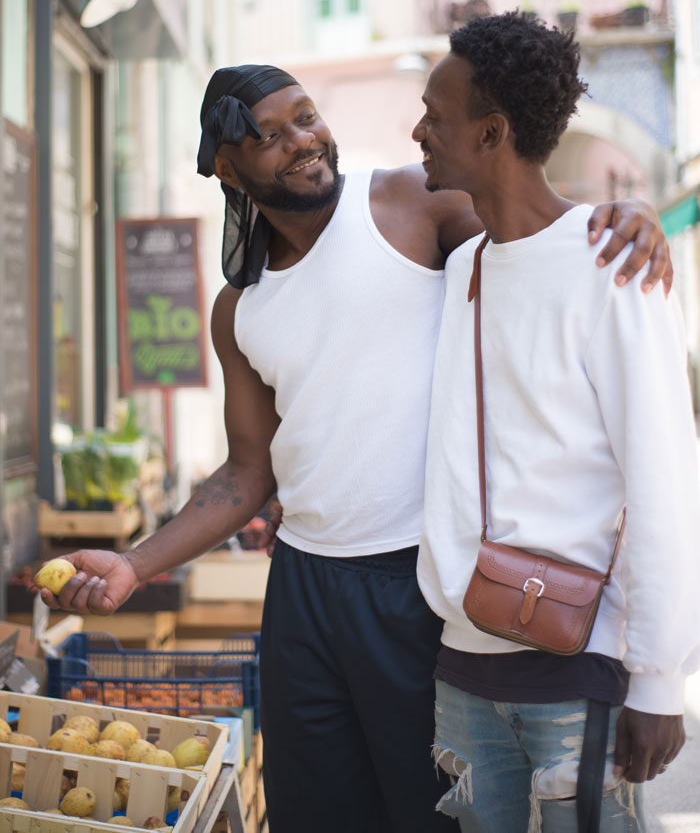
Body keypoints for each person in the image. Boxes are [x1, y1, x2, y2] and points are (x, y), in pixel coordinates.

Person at [38, 62, 673, 832]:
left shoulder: (411, 202)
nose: (303, 141)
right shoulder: (238, 309)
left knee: (429, 809)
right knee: (318, 811)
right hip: (304, 591)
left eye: (306, 117)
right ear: (229, 169)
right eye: (270, 136)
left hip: (420, 578)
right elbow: (247, 472)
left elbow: (533, 233)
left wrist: (625, 214)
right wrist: (137, 562)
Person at [413, 12, 700, 832]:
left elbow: (664, 477)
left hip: (581, 670)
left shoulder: (614, 265)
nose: (418, 130)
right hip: (463, 669)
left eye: (436, 114)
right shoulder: (463, 264)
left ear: (493, 131)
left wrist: (656, 680)